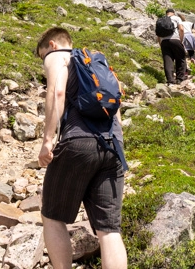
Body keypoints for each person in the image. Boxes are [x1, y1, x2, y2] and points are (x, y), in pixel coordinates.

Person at [36, 27, 128, 269]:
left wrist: (48, 141)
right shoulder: (95, 60)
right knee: (108, 230)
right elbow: (116, 105)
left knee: (52, 217)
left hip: (79, 143)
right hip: (113, 145)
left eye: (42, 55)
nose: (43, 61)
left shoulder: (58, 56)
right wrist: (118, 143)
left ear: (53, 45)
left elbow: (57, 92)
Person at [157, 8, 187, 83]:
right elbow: (181, 29)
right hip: (175, 40)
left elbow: (158, 35)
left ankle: (170, 79)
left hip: (164, 42)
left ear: (166, 13)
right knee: (180, 58)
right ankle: (179, 79)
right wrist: (181, 40)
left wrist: (161, 44)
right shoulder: (176, 18)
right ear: (173, 13)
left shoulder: (160, 20)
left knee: (168, 60)